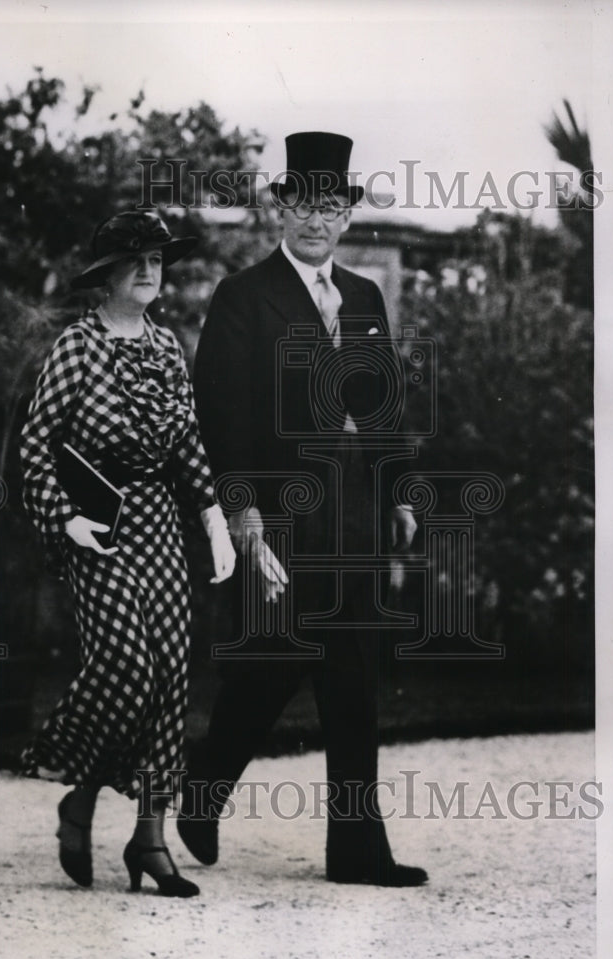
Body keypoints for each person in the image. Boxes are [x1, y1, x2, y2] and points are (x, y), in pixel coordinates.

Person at [177, 132, 428, 887]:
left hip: (351, 518)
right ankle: (204, 787)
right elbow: (220, 414)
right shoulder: (245, 298)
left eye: (330, 206)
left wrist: (398, 499)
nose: (315, 220)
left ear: (346, 216)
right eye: (302, 204)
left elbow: (383, 410)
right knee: (272, 663)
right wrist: (242, 512)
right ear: (281, 208)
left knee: (354, 681)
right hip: (281, 519)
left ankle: (357, 850)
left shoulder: (365, 298)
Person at [20, 210, 235, 898]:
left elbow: (189, 444)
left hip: (160, 525)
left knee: (171, 674)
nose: (150, 269)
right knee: (126, 667)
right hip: (97, 526)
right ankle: (76, 798)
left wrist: (213, 519)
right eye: (135, 259)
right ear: (106, 274)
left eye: (157, 259)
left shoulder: (168, 347)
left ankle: (150, 838)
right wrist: (64, 520)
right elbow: (34, 447)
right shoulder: (77, 347)